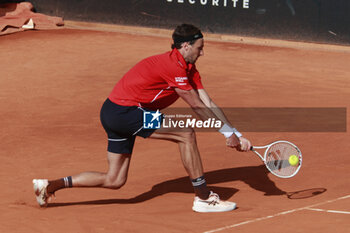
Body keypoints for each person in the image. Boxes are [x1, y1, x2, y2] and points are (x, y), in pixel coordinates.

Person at [33, 23, 252, 213]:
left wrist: (236, 133)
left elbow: (209, 103)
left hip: (112, 111)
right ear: (185, 46)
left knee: (115, 179)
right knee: (185, 133)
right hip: (125, 112)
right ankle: (203, 198)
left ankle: (50, 186)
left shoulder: (189, 69)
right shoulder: (172, 66)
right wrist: (226, 133)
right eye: (199, 48)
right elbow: (195, 105)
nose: (202, 53)